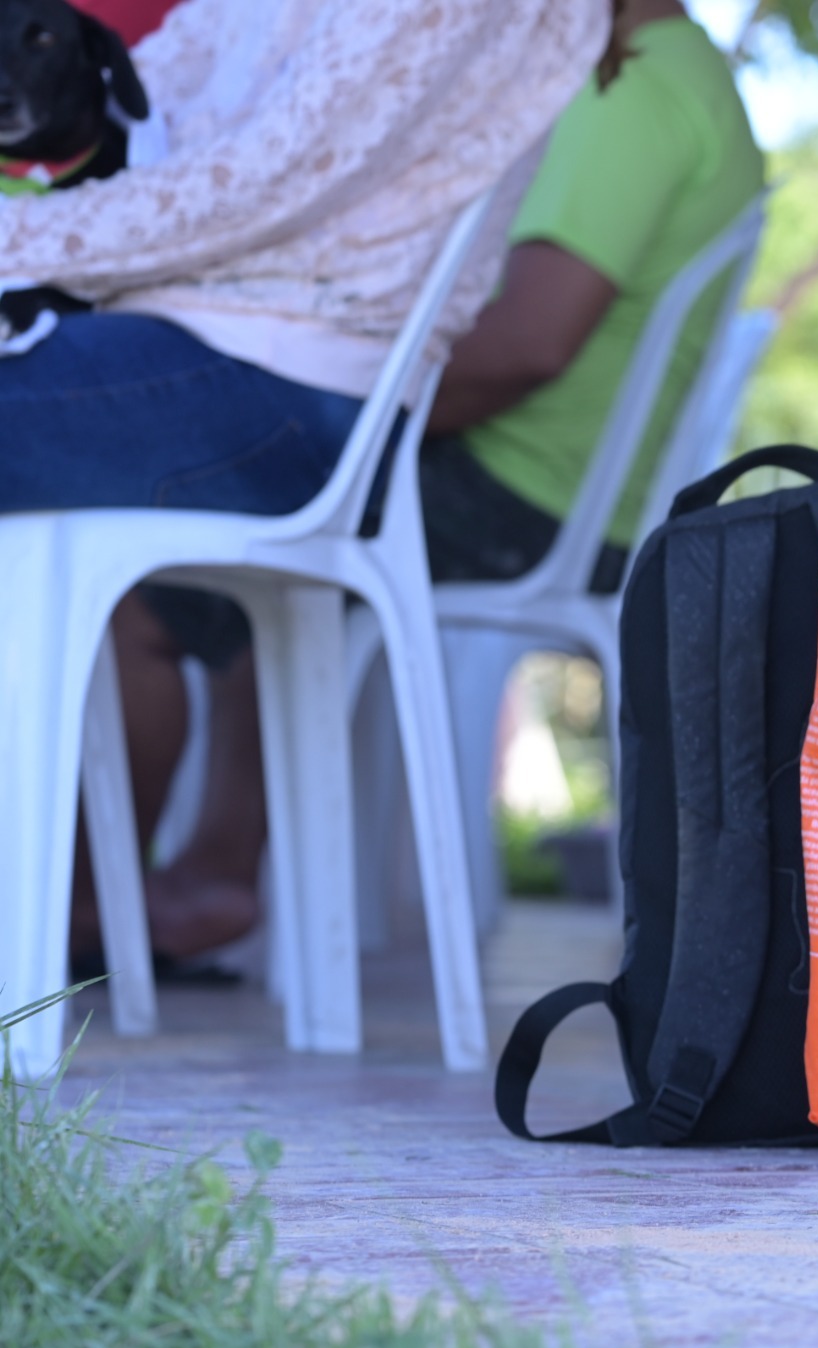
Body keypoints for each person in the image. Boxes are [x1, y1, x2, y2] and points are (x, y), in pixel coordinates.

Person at [0, 0, 606, 965]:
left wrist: (20, 238)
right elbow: (162, 100)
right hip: (188, 336)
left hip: (288, 381)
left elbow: (258, 185)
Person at [420, 0, 765, 593]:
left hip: (522, 498)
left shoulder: (632, 84)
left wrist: (379, 410)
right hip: (599, 511)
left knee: (238, 472)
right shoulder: (697, 79)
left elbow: (531, 344)